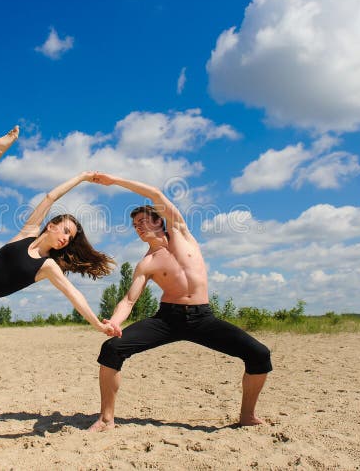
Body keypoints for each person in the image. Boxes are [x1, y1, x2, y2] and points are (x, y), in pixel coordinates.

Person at [0, 126, 121, 445]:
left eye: (71, 237)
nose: (66, 237)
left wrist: (97, 323)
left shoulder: (48, 266)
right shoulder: (28, 231)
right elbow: (51, 196)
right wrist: (81, 176)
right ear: (50, 225)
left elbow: (73, 294)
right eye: (64, 229)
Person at [87, 172, 272, 432]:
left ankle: (247, 415)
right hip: (167, 319)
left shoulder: (181, 233)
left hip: (202, 318)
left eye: (142, 221)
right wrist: (114, 323)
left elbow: (155, 194)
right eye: (135, 225)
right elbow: (129, 300)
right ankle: (106, 418)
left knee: (259, 355)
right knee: (111, 349)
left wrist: (114, 181)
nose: (138, 227)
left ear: (159, 221)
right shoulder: (146, 263)